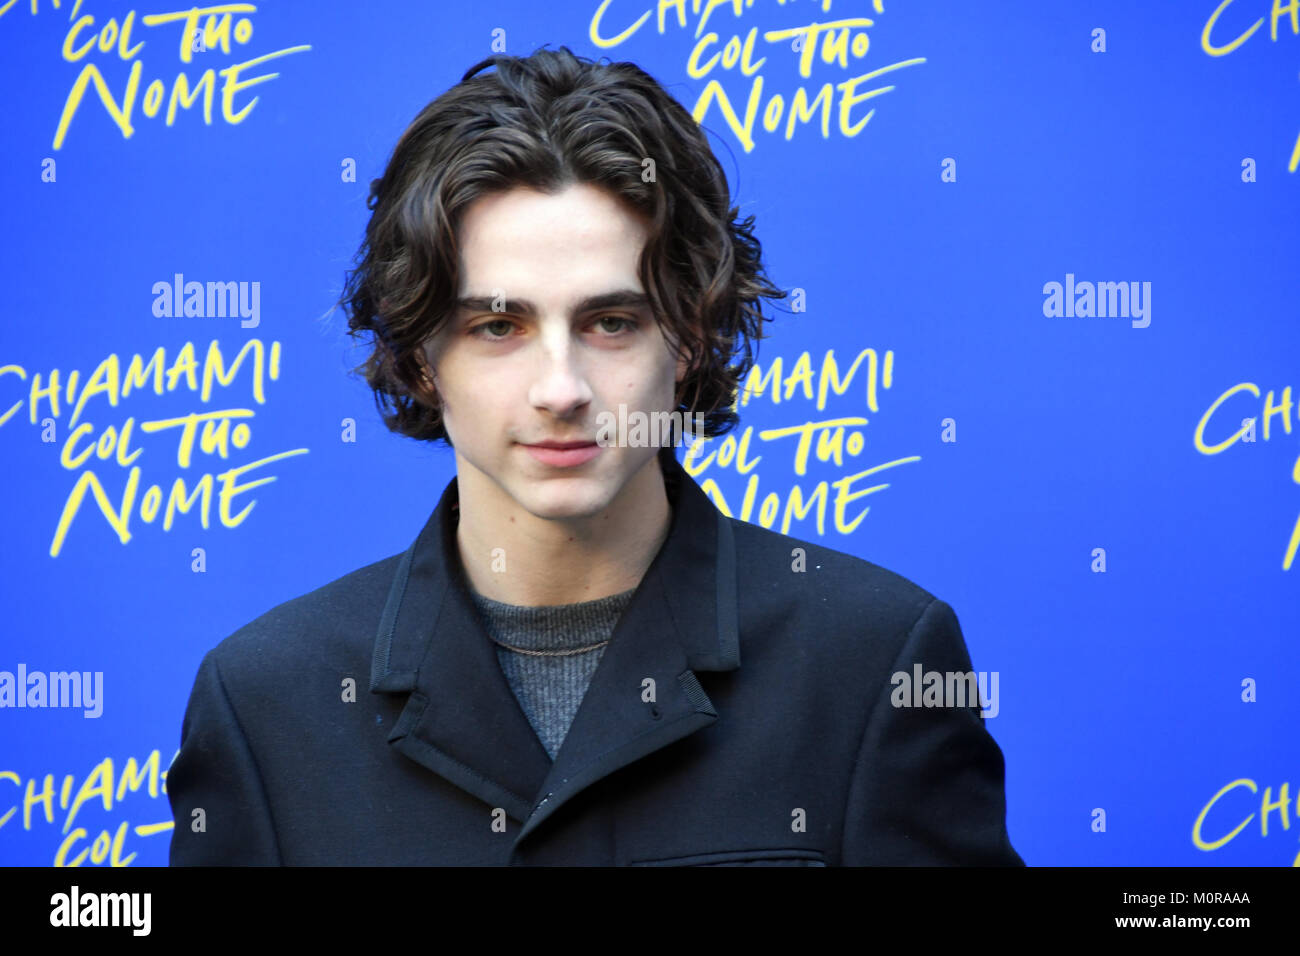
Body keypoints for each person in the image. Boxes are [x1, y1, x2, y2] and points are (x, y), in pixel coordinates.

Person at [165, 45, 1023, 866]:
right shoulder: (266, 701)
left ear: (687, 340)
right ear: (422, 358)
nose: (561, 387)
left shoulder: (873, 660)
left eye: (611, 323)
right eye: (498, 326)